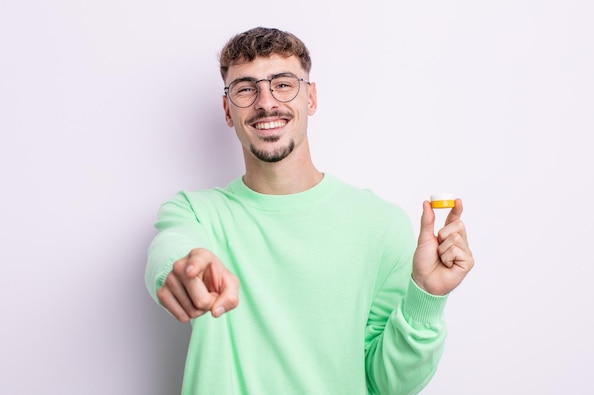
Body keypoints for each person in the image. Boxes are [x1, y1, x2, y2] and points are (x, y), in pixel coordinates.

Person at [145, 26, 474, 395]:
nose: (266, 102)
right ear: (227, 109)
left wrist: (426, 297)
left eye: (283, 84)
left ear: (311, 98)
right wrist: (184, 268)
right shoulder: (196, 214)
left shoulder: (380, 225)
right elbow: (170, 249)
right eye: (245, 89)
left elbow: (388, 383)